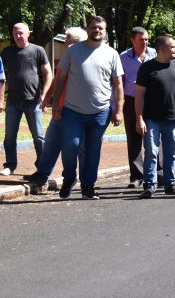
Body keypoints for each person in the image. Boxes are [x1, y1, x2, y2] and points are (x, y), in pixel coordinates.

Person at [53, 16, 124, 200]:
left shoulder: (112, 54)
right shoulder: (73, 51)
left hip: (100, 112)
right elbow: (60, 78)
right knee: (71, 145)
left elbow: (118, 85)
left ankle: (88, 186)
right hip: (72, 110)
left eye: (100, 28)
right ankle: (69, 178)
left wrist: (119, 110)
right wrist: (55, 105)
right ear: (88, 29)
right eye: (93, 27)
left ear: (105, 31)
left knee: (93, 151)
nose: (97, 31)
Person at [136, 36, 175, 198]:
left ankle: (169, 183)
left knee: (170, 154)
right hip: (151, 119)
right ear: (162, 49)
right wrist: (139, 118)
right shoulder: (147, 68)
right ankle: (150, 185)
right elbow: (139, 95)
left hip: (172, 120)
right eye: (173, 47)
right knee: (151, 152)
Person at [28, 27, 88, 190]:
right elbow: (58, 77)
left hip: (77, 111)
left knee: (79, 146)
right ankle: (42, 174)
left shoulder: (84, 58)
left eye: (67, 40)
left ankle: (84, 180)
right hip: (61, 108)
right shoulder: (68, 56)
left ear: (75, 42)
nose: (65, 43)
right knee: (52, 142)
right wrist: (48, 97)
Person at [0, 23, 53, 176]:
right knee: (9, 136)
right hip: (12, 101)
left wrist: (44, 95)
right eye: (15, 33)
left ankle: (42, 166)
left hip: (33, 101)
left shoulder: (38, 50)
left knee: (38, 136)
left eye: (21, 33)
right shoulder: (7, 52)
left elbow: (48, 73)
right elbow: (1, 75)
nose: (17, 35)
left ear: (28, 33)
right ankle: (10, 165)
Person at [119, 27, 157, 188]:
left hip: (153, 100)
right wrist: (118, 106)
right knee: (134, 139)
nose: (145, 42)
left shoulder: (154, 53)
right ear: (133, 40)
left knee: (156, 136)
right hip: (131, 100)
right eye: (142, 40)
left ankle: (159, 173)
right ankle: (136, 175)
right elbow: (119, 82)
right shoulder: (123, 57)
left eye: (147, 39)